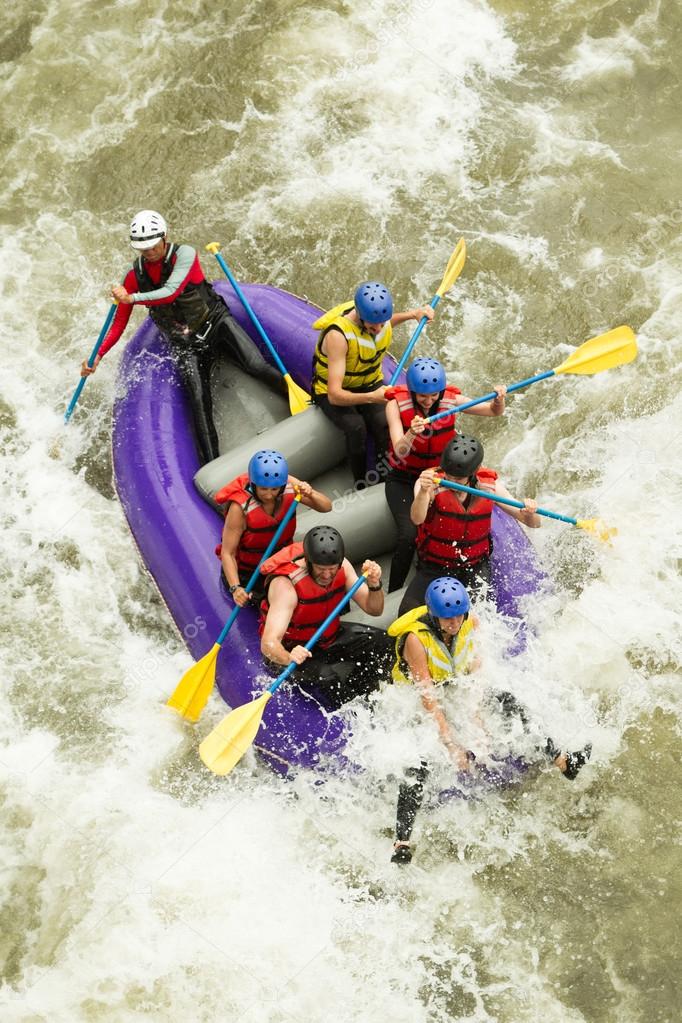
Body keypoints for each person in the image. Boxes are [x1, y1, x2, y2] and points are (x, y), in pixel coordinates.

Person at [387, 577, 592, 864]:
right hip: (413, 699)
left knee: (508, 701)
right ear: (434, 615)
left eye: (459, 615)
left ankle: (563, 762)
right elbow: (427, 698)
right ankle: (402, 842)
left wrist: (477, 720)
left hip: (453, 686)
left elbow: (475, 676)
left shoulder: (471, 623)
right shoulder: (415, 641)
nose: (454, 623)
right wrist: (451, 744)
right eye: (447, 618)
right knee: (418, 757)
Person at [79, 210, 284, 465]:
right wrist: (98, 355)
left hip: (215, 322)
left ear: (164, 237)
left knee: (255, 365)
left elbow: (170, 291)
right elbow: (119, 321)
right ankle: (213, 464)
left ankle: (306, 399)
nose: (149, 253)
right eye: (143, 249)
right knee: (199, 401)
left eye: (153, 247)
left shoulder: (184, 255)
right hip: (186, 343)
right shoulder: (134, 276)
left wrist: (132, 298)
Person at [385, 356, 507, 592]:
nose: (429, 401)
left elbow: (493, 411)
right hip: (405, 478)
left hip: (443, 477)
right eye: (423, 396)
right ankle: (395, 588)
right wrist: (411, 433)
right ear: (412, 392)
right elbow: (398, 453)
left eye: (434, 395)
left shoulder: (451, 400)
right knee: (408, 535)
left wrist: (499, 399)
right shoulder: (395, 405)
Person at [310, 281, 435, 488]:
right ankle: (360, 481)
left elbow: (388, 322)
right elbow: (334, 395)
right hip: (333, 391)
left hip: (368, 381)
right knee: (356, 427)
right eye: (373, 325)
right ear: (359, 315)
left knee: (383, 422)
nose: (378, 329)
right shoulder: (338, 337)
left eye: (381, 323)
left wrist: (414, 314)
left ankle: (385, 476)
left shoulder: (378, 321)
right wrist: (372, 397)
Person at [399, 434, 541, 613]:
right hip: (435, 566)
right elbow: (417, 518)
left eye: (458, 479)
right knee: (406, 611)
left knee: (482, 616)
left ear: (473, 473)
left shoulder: (490, 487)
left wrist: (530, 512)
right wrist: (423, 493)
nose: (452, 482)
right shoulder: (428, 482)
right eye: (449, 476)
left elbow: (533, 524)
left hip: (475, 566)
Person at [259, 525, 393, 711]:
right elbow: (269, 643)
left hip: (328, 638)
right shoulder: (286, 585)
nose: (327, 575)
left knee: (383, 642)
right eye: (321, 569)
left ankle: (365, 693)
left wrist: (374, 585)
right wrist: (289, 656)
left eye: (332, 569)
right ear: (308, 561)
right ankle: (348, 716)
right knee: (328, 678)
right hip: (295, 648)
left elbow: (375, 609)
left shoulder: (343, 566)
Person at [214, 449, 332, 606]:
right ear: (253, 484)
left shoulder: (289, 485)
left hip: (281, 561)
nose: (269, 495)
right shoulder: (239, 508)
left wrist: (310, 493)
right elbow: (228, 553)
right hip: (249, 572)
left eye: (274, 489)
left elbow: (326, 507)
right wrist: (235, 588)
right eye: (263, 489)